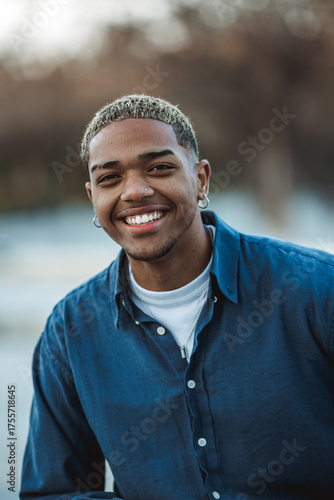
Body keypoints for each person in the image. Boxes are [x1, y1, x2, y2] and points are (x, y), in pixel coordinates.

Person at [20, 94, 334, 500]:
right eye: (110, 178)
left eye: (159, 167)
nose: (134, 191)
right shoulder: (70, 331)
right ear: (93, 198)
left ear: (201, 179)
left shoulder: (316, 290)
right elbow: (53, 492)